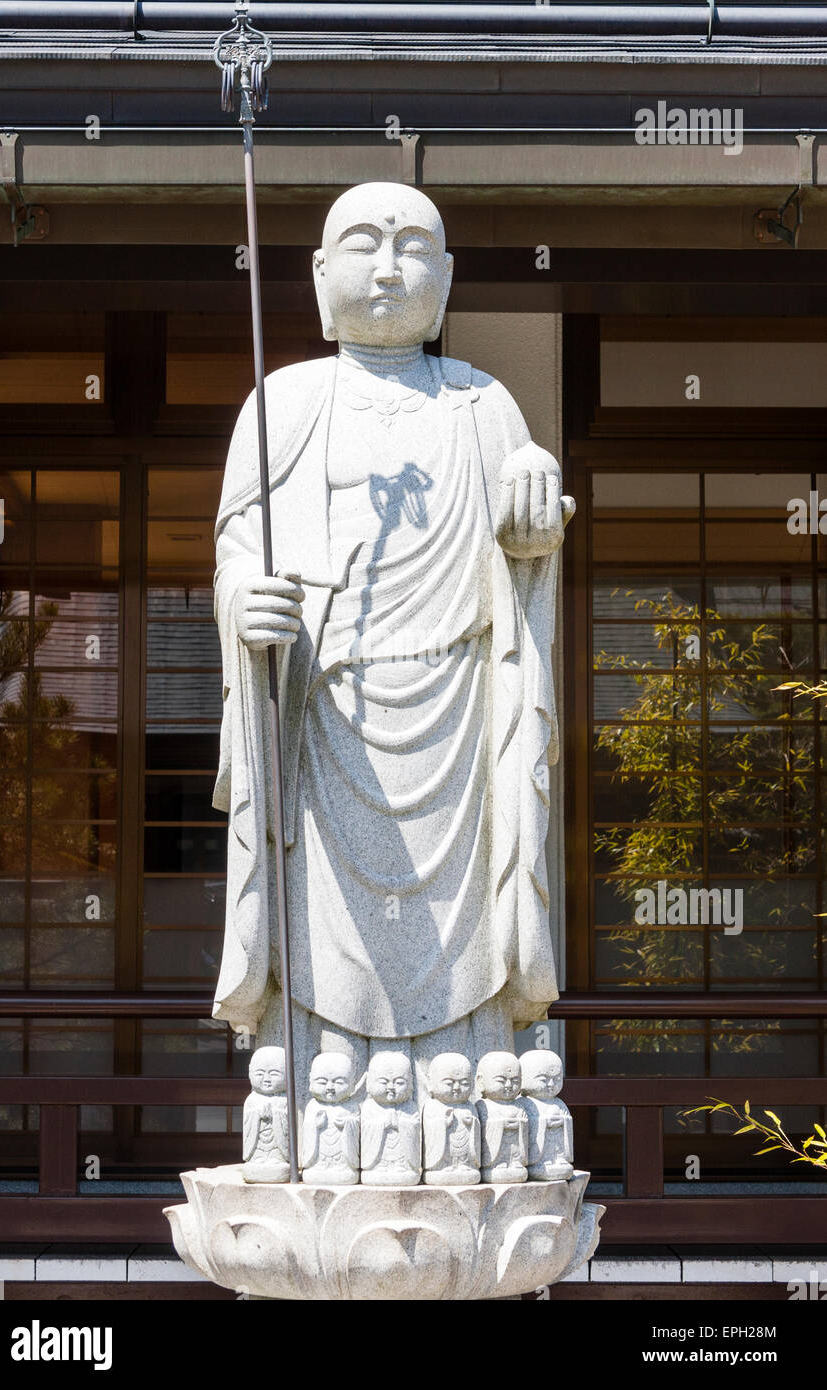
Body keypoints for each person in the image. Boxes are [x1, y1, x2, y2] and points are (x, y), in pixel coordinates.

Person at [212, 181, 574, 1103]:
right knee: (322, 926)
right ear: (320, 271)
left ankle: (473, 1075)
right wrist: (243, 606)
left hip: (457, 709)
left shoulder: (481, 405)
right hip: (325, 710)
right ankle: (317, 1078)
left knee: (466, 918)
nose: (388, 266)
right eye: (363, 245)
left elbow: (519, 543)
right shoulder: (282, 403)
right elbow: (237, 549)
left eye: (413, 246)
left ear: (447, 276)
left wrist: (531, 508)